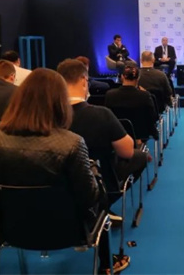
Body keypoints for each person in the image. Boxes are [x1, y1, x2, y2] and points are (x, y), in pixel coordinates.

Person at [0, 69, 130, 273]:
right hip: (69, 232)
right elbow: (90, 197)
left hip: (13, 230)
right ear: (60, 103)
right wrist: (95, 172)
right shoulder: (72, 143)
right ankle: (107, 264)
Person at [57, 59, 149, 213]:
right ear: (84, 80)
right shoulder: (101, 114)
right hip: (100, 180)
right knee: (140, 157)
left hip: (60, 185)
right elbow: (127, 151)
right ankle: (104, 206)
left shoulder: (47, 117)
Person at [105, 66, 159, 141]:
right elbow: (153, 117)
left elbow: (107, 117)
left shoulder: (110, 95)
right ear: (138, 78)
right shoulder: (145, 96)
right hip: (140, 134)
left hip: (117, 135)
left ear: (122, 77)